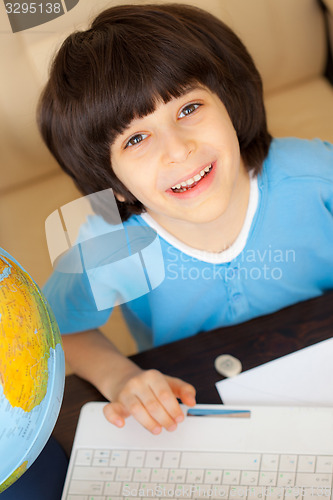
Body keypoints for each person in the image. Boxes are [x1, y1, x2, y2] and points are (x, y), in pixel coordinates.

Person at [38, 3, 333, 435]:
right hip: (197, 406)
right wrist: (119, 376)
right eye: (136, 138)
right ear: (113, 182)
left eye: (189, 108)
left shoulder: (312, 173)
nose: (177, 150)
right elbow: (54, 334)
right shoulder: (108, 241)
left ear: (230, 104)